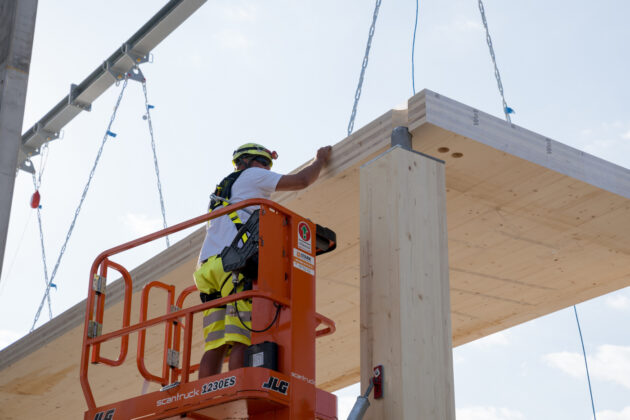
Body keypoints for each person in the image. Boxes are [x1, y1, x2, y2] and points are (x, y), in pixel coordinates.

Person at [194, 142, 333, 378]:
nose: (268, 170)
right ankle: (237, 390)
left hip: (207, 269)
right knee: (242, 335)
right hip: (232, 264)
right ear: (251, 162)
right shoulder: (251, 175)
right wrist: (320, 160)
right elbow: (301, 181)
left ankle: (206, 395)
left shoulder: (223, 189)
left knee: (215, 343)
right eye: (266, 164)